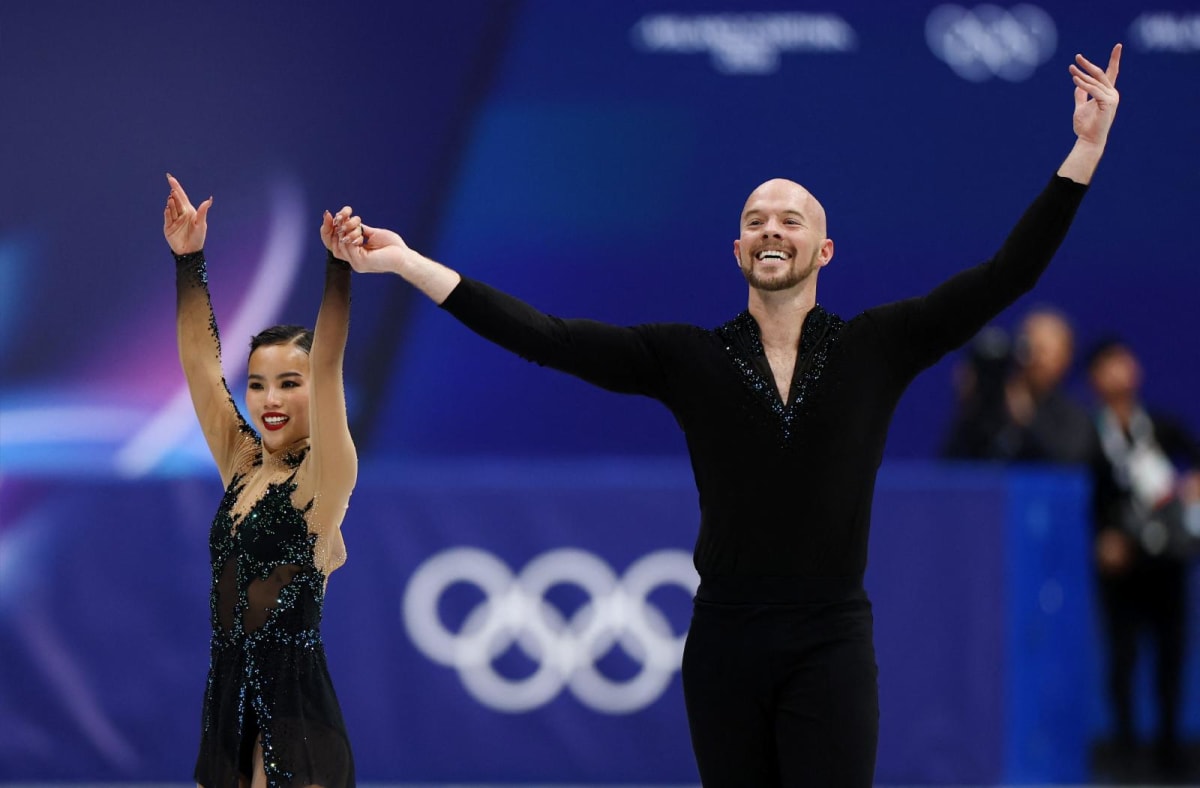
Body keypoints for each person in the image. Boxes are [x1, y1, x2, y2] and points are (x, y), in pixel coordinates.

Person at [338, 45, 1121, 787]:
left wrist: (1083, 153)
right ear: (738, 249)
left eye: (790, 220)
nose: (771, 228)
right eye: (756, 219)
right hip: (725, 640)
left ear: (825, 252)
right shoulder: (686, 357)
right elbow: (544, 337)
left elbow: (1007, 274)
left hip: (832, 637)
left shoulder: (880, 345)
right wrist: (406, 262)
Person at [164, 174, 365, 787]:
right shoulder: (244, 466)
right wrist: (189, 261)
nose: (269, 399)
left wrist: (338, 271)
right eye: (257, 383)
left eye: (288, 383)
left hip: (296, 721)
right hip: (228, 709)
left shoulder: (322, 482)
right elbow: (201, 368)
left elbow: (328, 364)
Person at [1087, 338, 1200, 781]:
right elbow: (1082, 496)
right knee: (1123, 658)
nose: (1120, 372)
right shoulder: (1088, 435)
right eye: (1108, 365)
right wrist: (1103, 538)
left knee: (1171, 656)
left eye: (1125, 362)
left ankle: (1172, 752)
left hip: (1166, 562)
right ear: (1094, 378)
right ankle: (1125, 751)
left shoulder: (1160, 428)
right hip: (1120, 568)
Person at [942, 308, 1094, 463]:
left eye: (1044, 351)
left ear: (1066, 358)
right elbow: (952, 466)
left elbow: (1069, 462)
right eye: (1031, 348)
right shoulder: (994, 404)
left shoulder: (1073, 417)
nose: (1036, 360)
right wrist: (971, 404)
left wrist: (1027, 419)